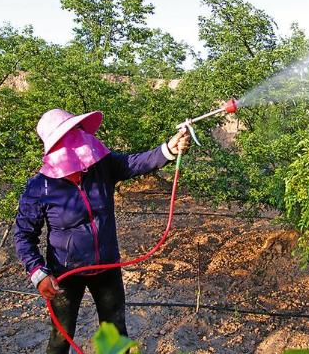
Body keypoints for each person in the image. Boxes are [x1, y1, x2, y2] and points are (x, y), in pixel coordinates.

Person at [14, 109, 189, 354]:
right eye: (70, 135)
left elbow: (135, 163)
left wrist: (168, 149)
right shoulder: (39, 188)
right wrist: (38, 272)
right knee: (61, 335)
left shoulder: (101, 167)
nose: (79, 139)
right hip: (65, 273)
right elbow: (23, 236)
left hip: (107, 267)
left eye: (77, 131)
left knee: (115, 332)